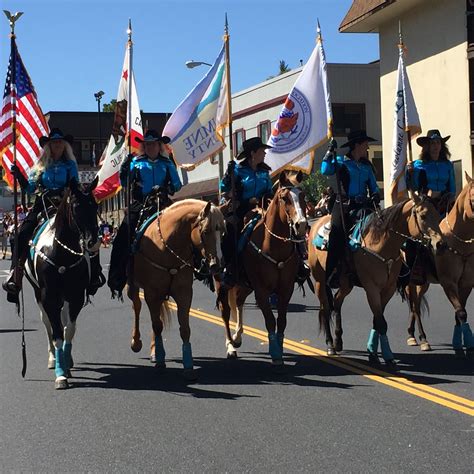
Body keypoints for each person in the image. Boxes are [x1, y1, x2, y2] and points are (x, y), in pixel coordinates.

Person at [2, 128, 105, 299]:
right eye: (54, 142)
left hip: (64, 205)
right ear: (49, 146)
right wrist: (19, 176)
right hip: (43, 205)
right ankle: (15, 275)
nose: (57, 145)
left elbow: (75, 184)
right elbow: (30, 188)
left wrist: (71, 190)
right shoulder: (41, 166)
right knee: (19, 235)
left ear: (65, 146)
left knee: (89, 230)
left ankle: (94, 274)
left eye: (60, 142)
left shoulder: (70, 165)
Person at [107, 129, 182, 296]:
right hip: (141, 203)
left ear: (159, 145)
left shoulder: (167, 163)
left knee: (184, 226)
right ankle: (117, 277)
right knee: (122, 237)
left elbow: (177, 185)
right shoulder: (136, 162)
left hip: (162, 202)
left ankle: (198, 267)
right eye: (147, 144)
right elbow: (124, 182)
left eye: (153, 144)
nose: (150, 147)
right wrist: (124, 169)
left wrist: (166, 188)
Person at [321, 130, 381, 287]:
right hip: (344, 205)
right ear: (357, 145)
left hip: (364, 205)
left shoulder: (367, 166)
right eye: (365, 144)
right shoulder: (341, 162)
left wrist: (375, 194)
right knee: (337, 232)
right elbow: (325, 170)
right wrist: (329, 152)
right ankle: (332, 272)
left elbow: (374, 186)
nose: (367, 148)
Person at [218, 137, 274, 287]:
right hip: (241, 208)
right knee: (231, 232)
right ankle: (230, 268)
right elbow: (224, 188)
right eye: (262, 151)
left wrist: (266, 199)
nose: (265, 153)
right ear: (253, 153)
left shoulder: (264, 171)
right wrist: (227, 175)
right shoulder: (237, 170)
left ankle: (297, 264)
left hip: (263, 207)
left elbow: (270, 191)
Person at [405, 129, 455, 284]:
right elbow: (412, 187)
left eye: (438, 143)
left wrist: (447, 196)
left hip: (445, 203)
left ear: (441, 145)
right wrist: (409, 172)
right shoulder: (418, 165)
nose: (435, 146)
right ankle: (415, 270)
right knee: (415, 236)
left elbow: (452, 188)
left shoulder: (448, 165)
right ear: (426, 146)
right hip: (426, 204)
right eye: (432, 143)